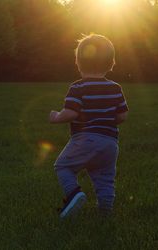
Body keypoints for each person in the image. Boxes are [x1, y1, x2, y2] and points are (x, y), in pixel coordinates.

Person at [49, 34, 129, 218]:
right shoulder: (116, 88)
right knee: (105, 179)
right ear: (111, 63)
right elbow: (123, 115)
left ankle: (74, 194)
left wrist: (56, 117)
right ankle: (105, 213)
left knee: (63, 166)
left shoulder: (78, 87)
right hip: (110, 143)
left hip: (85, 139)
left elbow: (71, 113)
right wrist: (106, 119)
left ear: (78, 62)